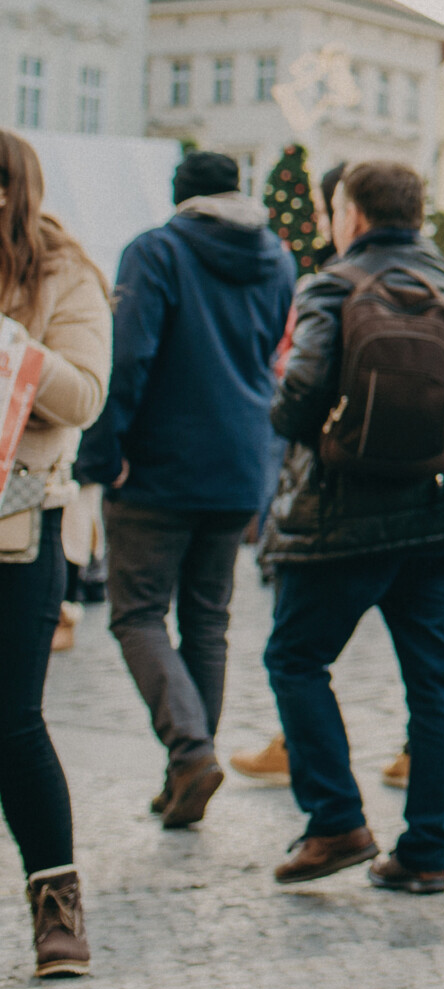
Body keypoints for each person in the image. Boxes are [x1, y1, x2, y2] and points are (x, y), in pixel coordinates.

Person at [266, 160, 444, 893]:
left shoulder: (331, 285)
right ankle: (427, 852)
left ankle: (336, 820)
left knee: (295, 658)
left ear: (350, 213)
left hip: (344, 513)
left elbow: (299, 398)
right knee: (433, 683)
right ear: (419, 213)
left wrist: (294, 415)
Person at [73, 151, 294, 834]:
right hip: (237, 460)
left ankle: (191, 751)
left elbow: (128, 360)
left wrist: (100, 457)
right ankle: (185, 768)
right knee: (207, 620)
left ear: (180, 196)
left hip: (158, 464)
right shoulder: (278, 259)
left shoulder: (156, 252)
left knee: (136, 611)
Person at [0, 133, 110, 977]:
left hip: (16, 530)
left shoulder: (63, 274)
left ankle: (57, 907)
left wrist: (8, 343)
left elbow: (85, 396)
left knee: (11, 722)